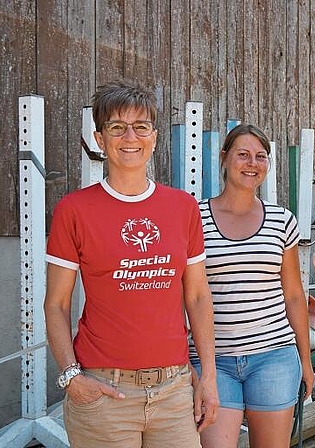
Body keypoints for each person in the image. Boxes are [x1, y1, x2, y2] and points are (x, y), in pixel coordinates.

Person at [44, 79, 219, 448]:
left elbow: (199, 297)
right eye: (117, 127)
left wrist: (208, 378)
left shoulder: (183, 207)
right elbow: (56, 304)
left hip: (173, 392)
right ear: (99, 138)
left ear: (153, 137)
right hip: (104, 393)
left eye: (140, 127)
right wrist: (71, 377)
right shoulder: (73, 210)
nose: (130, 137)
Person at [189, 124, 314, 448]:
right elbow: (184, 296)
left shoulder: (282, 220)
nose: (252, 163)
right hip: (212, 363)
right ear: (224, 158)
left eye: (261, 156)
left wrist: (306, 359)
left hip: (273, 357)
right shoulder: (194, 218)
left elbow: (294, 296)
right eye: (243, 154)